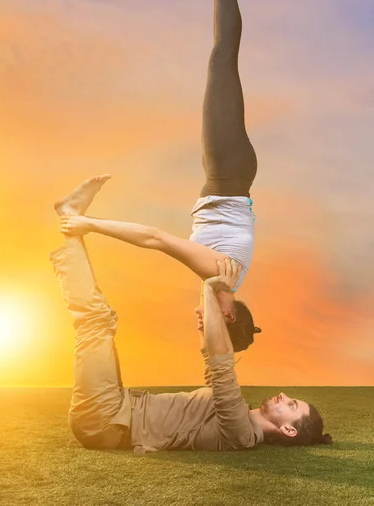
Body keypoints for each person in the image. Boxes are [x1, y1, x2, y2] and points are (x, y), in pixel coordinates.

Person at [57, 0, 260, 351]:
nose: (196, 323)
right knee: (222, 57)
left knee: (222, 61)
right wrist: (88, 224)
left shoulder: (219, 275)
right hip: (227, 173)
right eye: (206, 326)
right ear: (227, 314)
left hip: (227, 175)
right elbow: (155, 238)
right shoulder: (219, 272)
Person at [50, 175, 332, 452]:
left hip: (108, 419)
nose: (284, 396)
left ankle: (70, 216)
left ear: (288, 430)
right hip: (117, 407)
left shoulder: (242, 434)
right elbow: (212, 356)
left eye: (291, 405)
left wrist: (214, 288)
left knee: (96, 320)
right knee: (101, 320)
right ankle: (71, 220)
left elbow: (222, 367)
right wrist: (213, 287)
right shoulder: (237, 414)